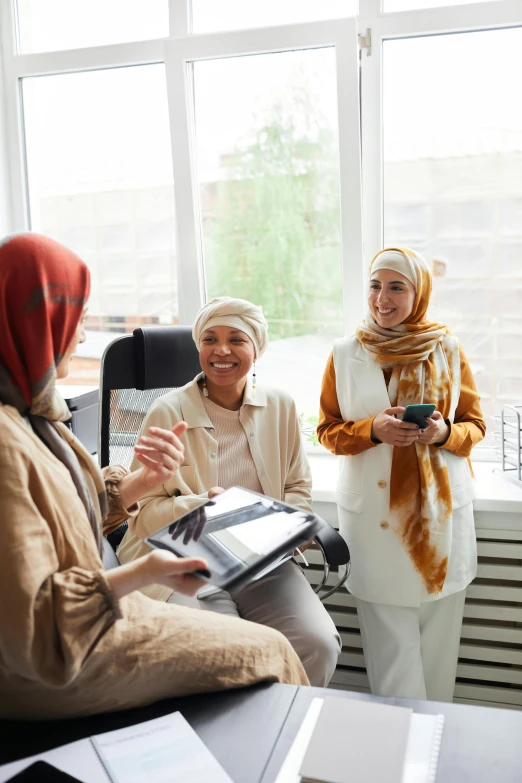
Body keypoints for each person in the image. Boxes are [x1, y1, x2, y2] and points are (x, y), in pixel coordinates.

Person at [0, 234, 309, 720]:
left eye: (237, 340)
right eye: (75, 323)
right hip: (73, 643)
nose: (81, 339)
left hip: (104, 603)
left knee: (299, 643)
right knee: (267, 652)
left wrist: (142, 481)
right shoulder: (8, 441)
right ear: (38, 325)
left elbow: (68, 513)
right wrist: (144, 571)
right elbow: (35, 629)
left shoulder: (36, 415)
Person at [118, 296, 341, 687]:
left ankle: (285, 731)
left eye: (236, 339)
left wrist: (290, 533)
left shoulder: (280, 406)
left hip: (260, 558)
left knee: (317, 643)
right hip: (181, 561)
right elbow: (141, 514)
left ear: (257, 348)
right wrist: (204, 507)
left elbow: (296, 485)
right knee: (228, 646)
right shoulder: (168, 411)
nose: (221, 350)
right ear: (198, 347)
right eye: (210, 339)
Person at [317, 247, 486, 702]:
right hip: (374, 524)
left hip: (440, 521)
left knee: (437, 651)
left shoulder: (447, 348)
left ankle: (437, 748)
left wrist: (443, 433)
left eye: (396, 287)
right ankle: (398, 758)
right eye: (375, 286)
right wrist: (372, 429)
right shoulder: (344, 353)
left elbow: (475, 426)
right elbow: (327, 432)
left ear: (419, 293)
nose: (382, 298)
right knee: (391, 656)